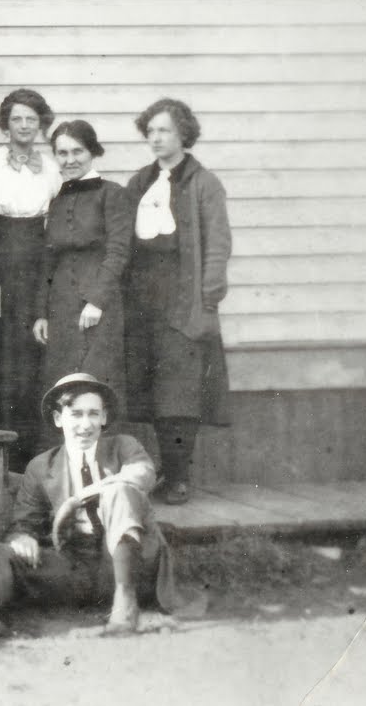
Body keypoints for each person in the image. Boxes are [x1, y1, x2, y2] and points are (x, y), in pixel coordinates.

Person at [0, 373, 194, 635]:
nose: (85, 424)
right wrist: (22, 537)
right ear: (58, 419)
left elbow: (143, 474)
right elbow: (23, 522)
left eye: (93, 414)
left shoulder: (123, 446)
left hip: (131, 562)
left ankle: (125, 605)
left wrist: (78, 499)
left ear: (104, 418)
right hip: (73, 564)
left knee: (119, 491)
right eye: (76, 414)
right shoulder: (41, 466)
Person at [123, 99, 231, 506]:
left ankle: (180, 476)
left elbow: (218, 245)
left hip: (183, 301)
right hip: (143, 302)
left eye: (164, 130)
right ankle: (163, 471)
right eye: (150, 131)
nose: (156, 138)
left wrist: (208, 300)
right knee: (152, 391)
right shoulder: (140, 182)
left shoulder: (204, 183)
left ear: (183, 133)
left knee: (179, 393)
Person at [0, 89, 62, 457]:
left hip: (38, 260)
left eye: (31, 119)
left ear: (41, 125)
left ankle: (31, 450)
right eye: (17, 119)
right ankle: (1, 444)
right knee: (1, 352)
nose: (24, 126)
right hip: (0, 262)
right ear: (5, 125)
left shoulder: (53, 168)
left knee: (31, 352)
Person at [32, 121, 131, 420]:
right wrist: (41, 313)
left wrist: (97, 301)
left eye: (78, 151)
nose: (70, 159)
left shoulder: (113, 194)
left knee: (98, 379)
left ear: (92, 152)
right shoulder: (57, 198)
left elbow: (118, 250)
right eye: (62, 153)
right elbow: (48, 259)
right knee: (62, 386)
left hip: (99, 306)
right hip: (61, 307)